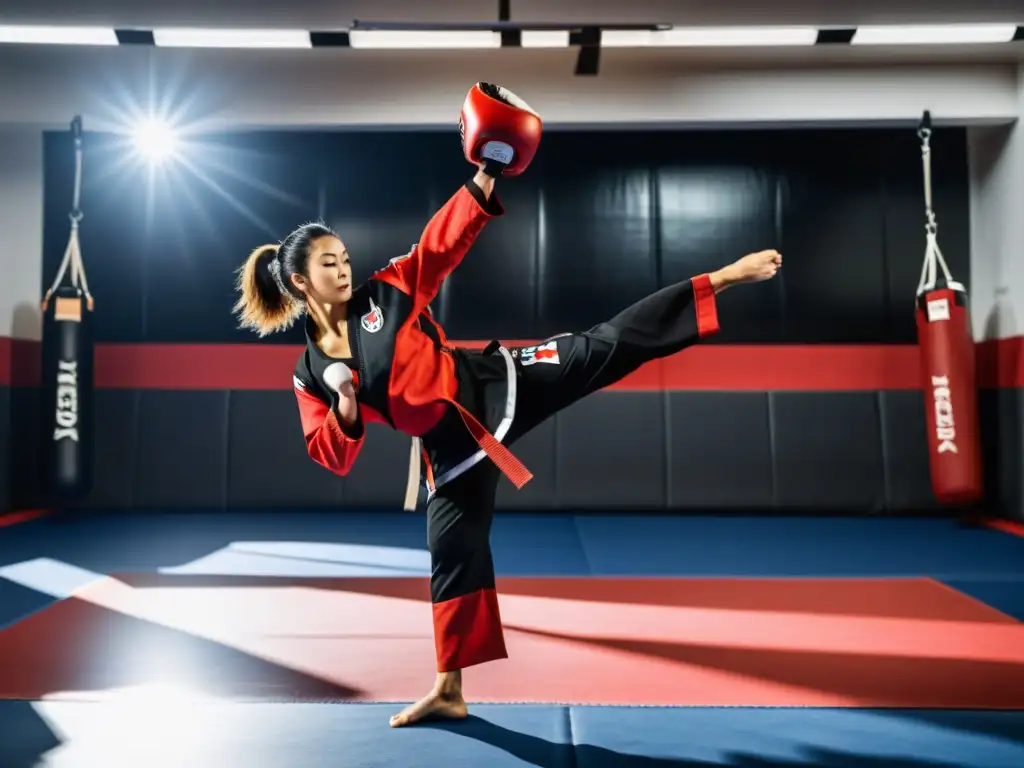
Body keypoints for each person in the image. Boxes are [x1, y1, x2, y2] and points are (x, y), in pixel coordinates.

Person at [234, 160, 782, 727]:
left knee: (604, 346)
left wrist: (485, 176)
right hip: (451, 453)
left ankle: (720, 278)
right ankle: (449, 689)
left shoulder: (387, 293)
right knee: (451, 555)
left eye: (345, 257)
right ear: (301, 282)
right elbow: (331, 453)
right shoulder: (310, 371)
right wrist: (346, 405)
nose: (345, 269)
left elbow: (438, 246)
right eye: (330, 263)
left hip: (498, 384)